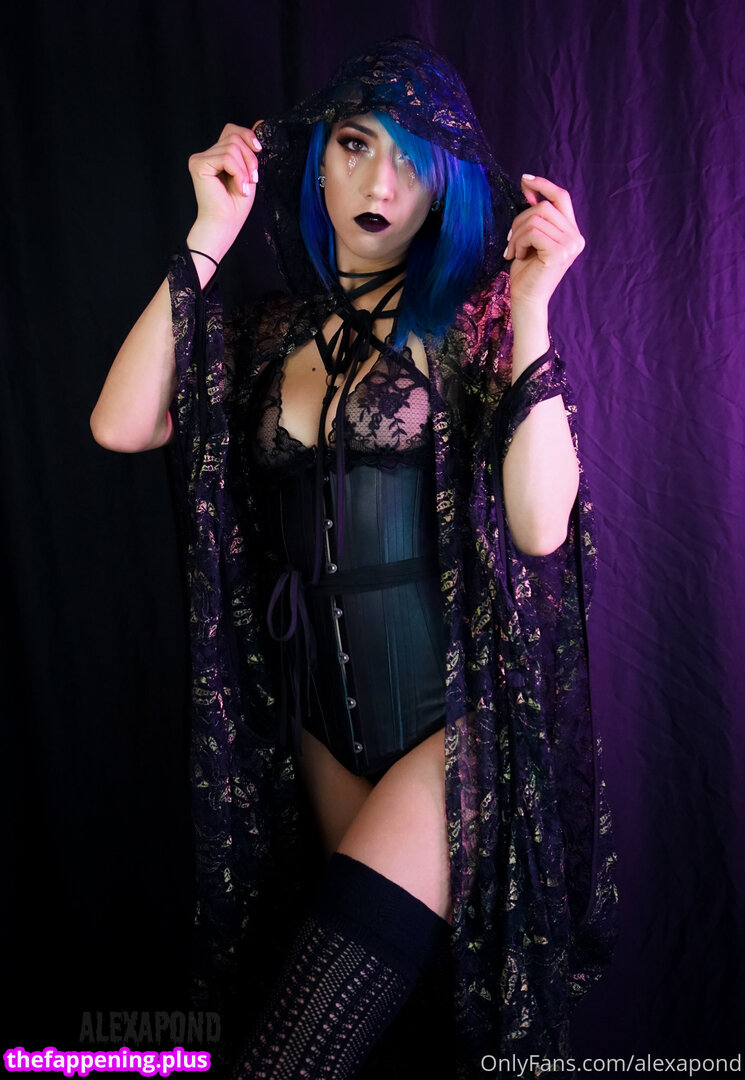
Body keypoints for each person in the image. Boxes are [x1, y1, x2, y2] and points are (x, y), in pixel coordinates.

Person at [91, 36, 617, 1080]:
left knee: (294, 1050)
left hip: (447, 734)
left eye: (413, 160)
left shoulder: (469, 325)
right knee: (386, 1043)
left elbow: (539, 527)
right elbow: (121, 424)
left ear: (446, 187)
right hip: (316, 729)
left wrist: (531, 307)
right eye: (355, 145)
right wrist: (209, 235)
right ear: (317, 160)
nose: (380, 184)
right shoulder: (263, 334)